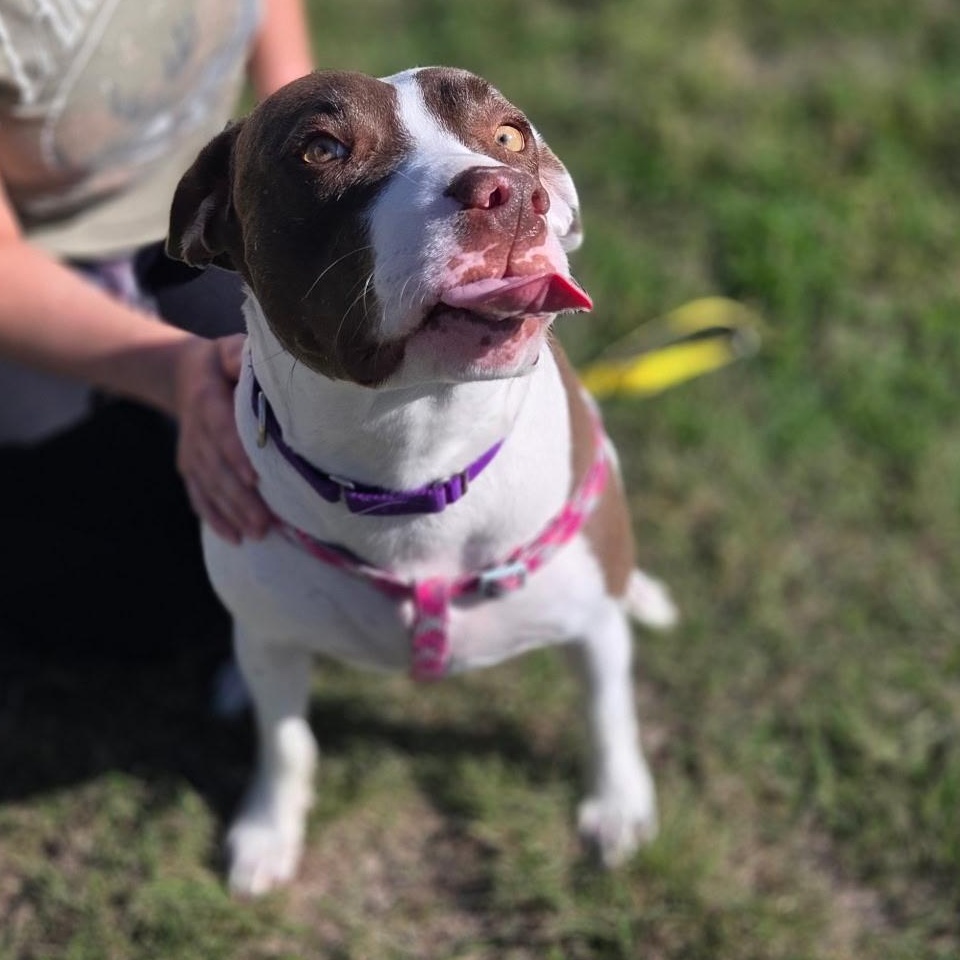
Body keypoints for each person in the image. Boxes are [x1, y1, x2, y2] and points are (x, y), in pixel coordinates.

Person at [0, 0, 314, 658]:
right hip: (34, 268)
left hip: (191, 210)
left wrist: (305, 153)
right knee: (95, 575)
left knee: (303, 418)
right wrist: (172, 369)